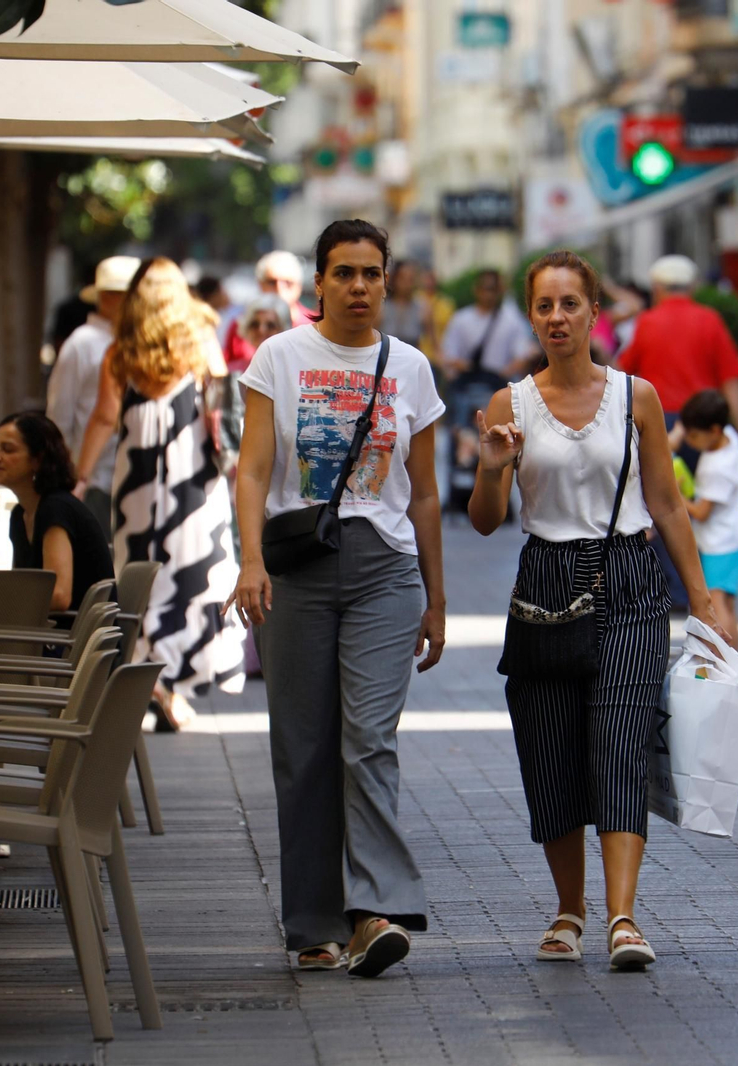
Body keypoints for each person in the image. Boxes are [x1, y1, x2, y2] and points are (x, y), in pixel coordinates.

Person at [469, 250, 731, 973]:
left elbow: (670, 504)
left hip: (628, 578)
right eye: (545, 306)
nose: (558, 318)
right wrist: (493, 466)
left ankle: (622, 916)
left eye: (570, 304)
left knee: (618, 741)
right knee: (550, 746)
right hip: (544, 581)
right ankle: (568, 909)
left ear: (594, 313)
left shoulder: (635, 396)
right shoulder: (509, 404)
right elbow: (486, 520)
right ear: (533, 314)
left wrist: (703, 603)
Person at [226, 219, 447, 979]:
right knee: (305, 747)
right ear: (318, 282)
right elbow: (252, 470)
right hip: (299, 566)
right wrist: (249, 560)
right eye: (344, 273)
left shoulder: (411, 368)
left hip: (386, 570)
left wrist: (437, 599)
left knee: (369, 738)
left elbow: (423, 497)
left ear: (389, 281)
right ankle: (314, 922)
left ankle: (373, 910)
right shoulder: (279, 358)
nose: (358, 286)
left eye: (371, 273)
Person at [75, 258, 246, 727]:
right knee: (192, 575)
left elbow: (105, 419)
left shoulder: (120, 352)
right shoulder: (199, 345)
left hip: (137, 479)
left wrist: (81, 474)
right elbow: (221, 403)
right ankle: (172, 683)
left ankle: (148, 677)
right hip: (192, 481)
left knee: (138, 573)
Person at [48, 255, 139, 533]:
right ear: (110, 297)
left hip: (132, 475)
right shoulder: (81, 344)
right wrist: (69, 475)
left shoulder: (139, 343)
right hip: (95, 480)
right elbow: (59, 415)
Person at [0, 412, 115, 612]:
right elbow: (22, 586)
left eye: (8, 449)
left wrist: (0, 604)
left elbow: (59, 596)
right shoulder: (19, 515)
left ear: (38, 460)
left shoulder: (56, 509)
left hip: (75, 639)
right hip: (47, 634)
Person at [617, 255, 738, 432]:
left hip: (660, 418)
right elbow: (731, 380)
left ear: (657, 289)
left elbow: (624, 369)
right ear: (692, 288)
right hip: (704, 420)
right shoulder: (710, 320)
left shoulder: (647, 321)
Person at [677, 390, 738, 648]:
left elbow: (702, 512)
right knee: (727, 602)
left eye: (694, 435)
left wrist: (677, 495)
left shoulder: (716, 468)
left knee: (717, 602)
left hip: (718, 541)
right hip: (733, 536)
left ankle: (724, 656)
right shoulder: (731, 437)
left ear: (714, 430)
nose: (689, 440)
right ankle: (734, 659)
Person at [441, 268, 538, 384]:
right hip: (467, 387)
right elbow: (447, 355)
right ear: (476, 289)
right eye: (486, 288)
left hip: (499, 386)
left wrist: (501, 377)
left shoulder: (512, 321)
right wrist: (468, 369)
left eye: (493, 289)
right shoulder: (460, 319)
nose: (489, 294)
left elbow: (522, 356)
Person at [221, 251, 312, 373]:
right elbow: (228, 370)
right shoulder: (240, 324)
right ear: (260, 284)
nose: (279, 288)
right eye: (272, 282)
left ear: (299, 286)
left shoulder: (314, 326)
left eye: (287, 283)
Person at [381, 259, 429, 349]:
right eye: (403, 278)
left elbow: (434, 345)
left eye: (410, 279)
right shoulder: (381, 308)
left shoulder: (422, 308)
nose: (407, 283)